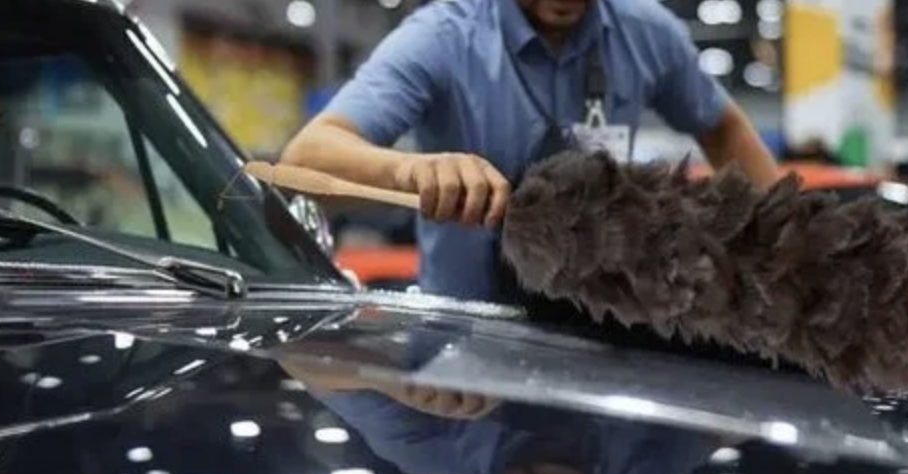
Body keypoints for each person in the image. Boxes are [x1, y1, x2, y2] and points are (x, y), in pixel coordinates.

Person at [282, 0, 781, 305]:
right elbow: (304, 161)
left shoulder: (647, 33)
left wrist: (784, 238)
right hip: (470, 342)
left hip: (603, 327)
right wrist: (410, 170)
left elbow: (724, 128)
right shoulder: (441, 38)